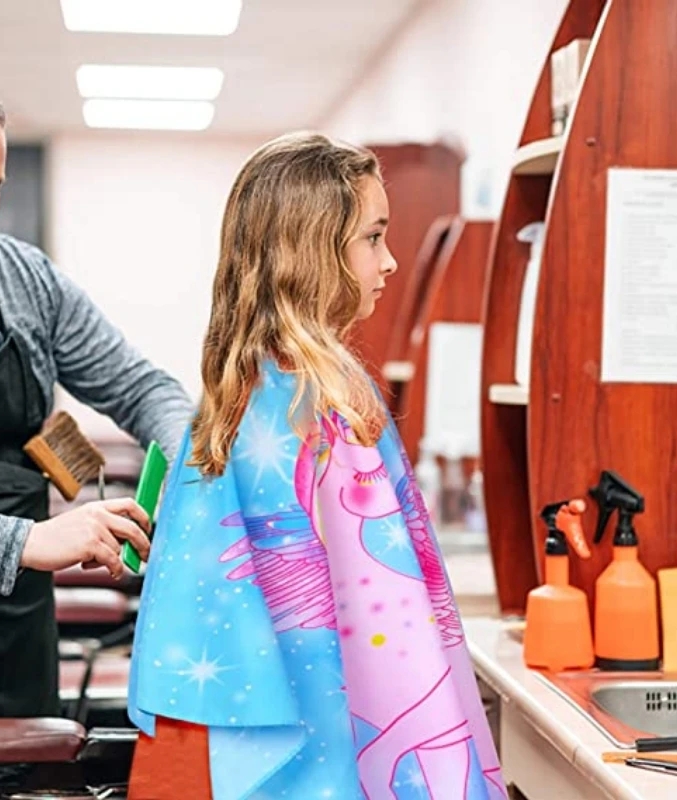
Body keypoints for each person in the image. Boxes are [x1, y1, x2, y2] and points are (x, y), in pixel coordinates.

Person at [127, 132, 505, 799]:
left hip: (216, 732)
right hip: (308, 736)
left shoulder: (240, 390)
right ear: (310, 254)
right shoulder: (324, 400)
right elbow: (382, 630)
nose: (389, 262)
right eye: (373, 238)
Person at [0, 59, 194, 719]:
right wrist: (23, 542)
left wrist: (190, 459)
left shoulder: (23, 280)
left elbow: (140, 387)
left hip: (12, 637)